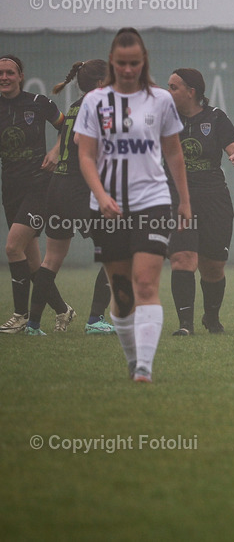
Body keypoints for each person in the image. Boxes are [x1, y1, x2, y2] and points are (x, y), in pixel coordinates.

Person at [74, 28, 190, 382]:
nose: (128, 69)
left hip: (152, 202)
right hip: (108, 207)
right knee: (122, 295)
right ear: (113, 62)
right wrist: (102, 195)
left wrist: (183, 200)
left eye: (134, 63)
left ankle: (145, 366)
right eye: (122, 63)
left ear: (144, 62)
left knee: (145, 285)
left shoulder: (160, 100)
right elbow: (86, 156)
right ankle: (131, 357)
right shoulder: (95, 101)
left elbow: (173, 150)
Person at [26, 60, 116, 335]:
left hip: (58, 187)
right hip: (81, 188)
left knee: (51, 258)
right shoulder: (102, 105)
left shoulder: (76, 106)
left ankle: (32, 325)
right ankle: (95, 320)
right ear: (101, 82)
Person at [166, 68, 234, 335]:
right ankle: (185, 325)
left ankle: (211, 318)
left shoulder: (215, 118)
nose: (169, 92)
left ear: (192, 92)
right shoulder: (164, 120)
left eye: (174, 87)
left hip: (214, 198)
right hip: (177, 199)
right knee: (183, 259)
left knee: (212, 266)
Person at [0, 54, 65, 335]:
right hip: (10, 188)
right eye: (0, 73)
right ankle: (63, 310)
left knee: (12, 247)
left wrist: (56, 151)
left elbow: (68, 129)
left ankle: (20, 315)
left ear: (20, 76)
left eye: (9, 73)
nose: (4, 77)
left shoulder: (39, 103)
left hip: (39, 186)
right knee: (31, 261)